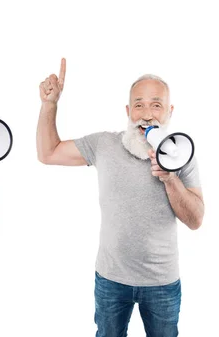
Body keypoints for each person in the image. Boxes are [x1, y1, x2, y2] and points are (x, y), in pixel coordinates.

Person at [36, 58, 205, 336]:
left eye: (156, 105)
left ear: (169, 111)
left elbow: (196, 219)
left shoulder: (181, 154)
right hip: (111, 280)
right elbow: (48, 153)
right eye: (138, 105)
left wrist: (169, 177)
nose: (146, 114)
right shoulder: (104, 144)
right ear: (128, 111)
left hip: (162, 282)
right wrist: (49, 105)